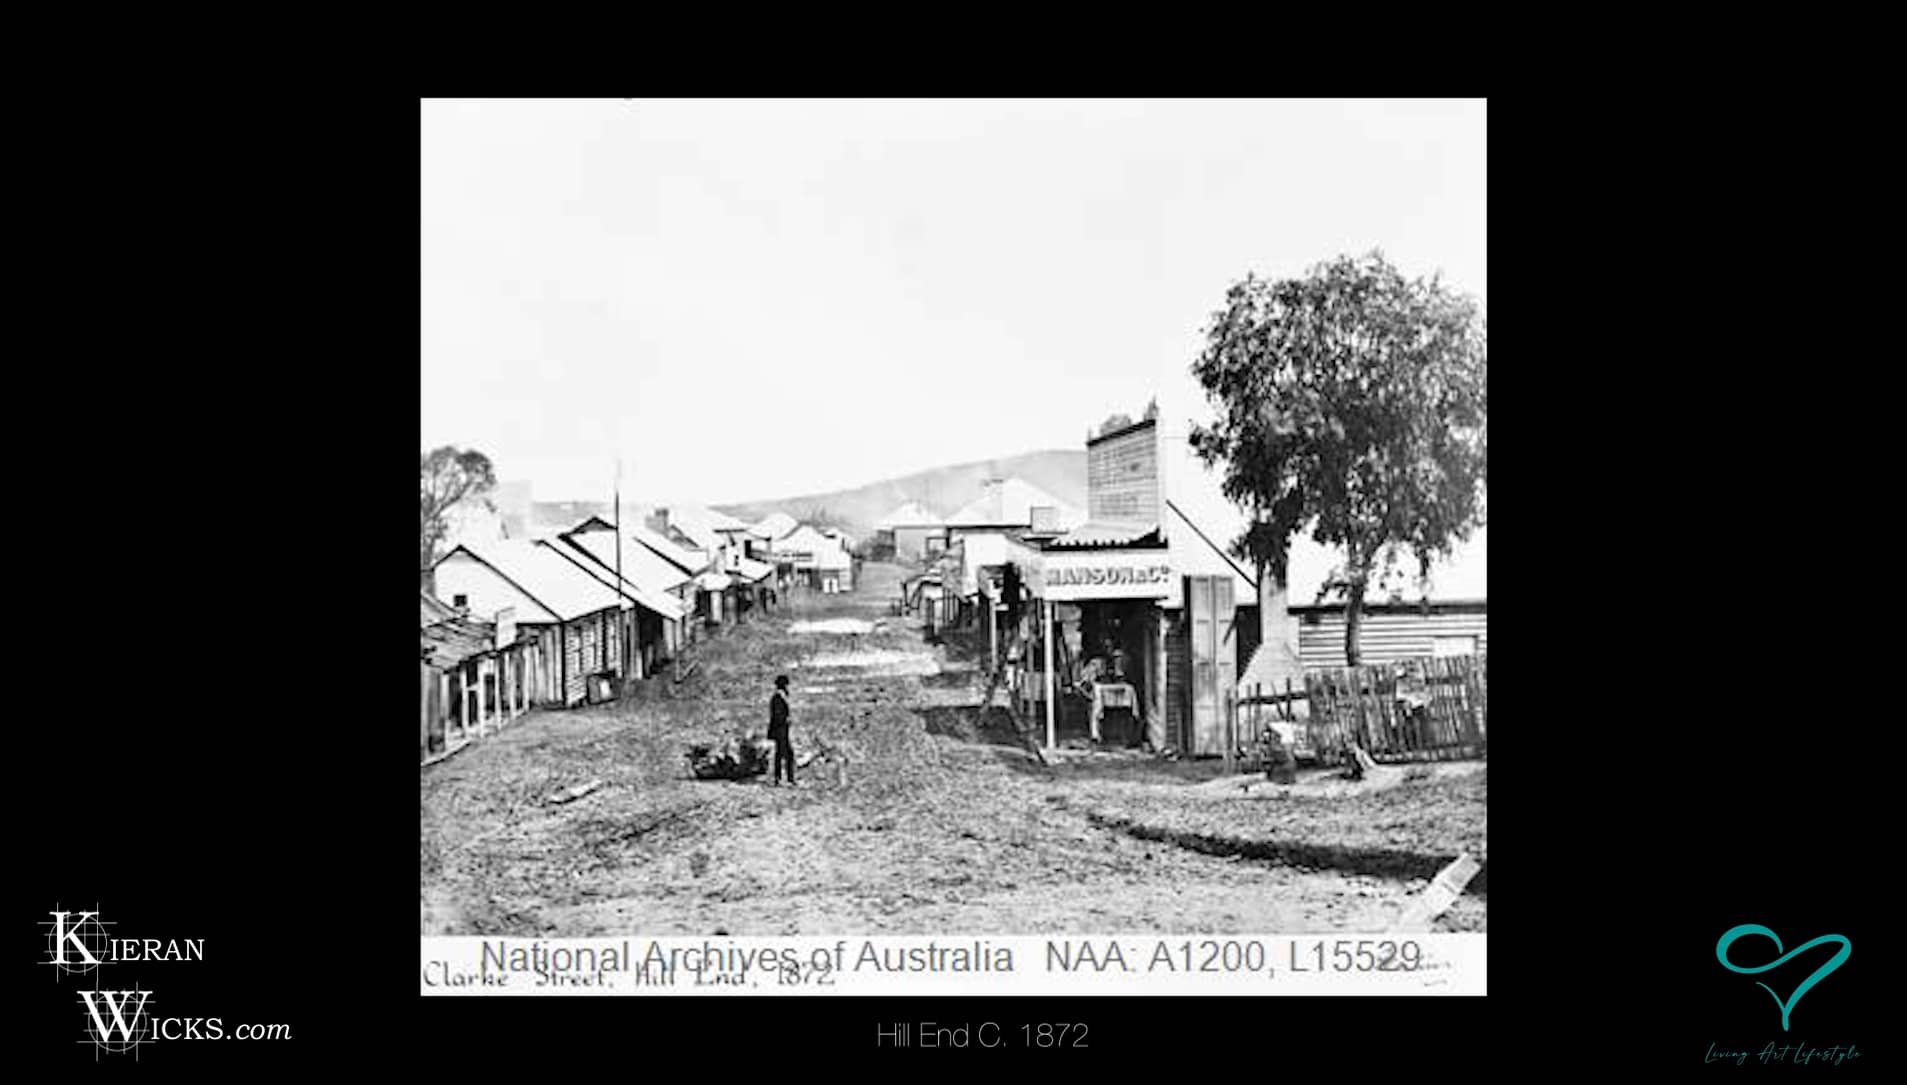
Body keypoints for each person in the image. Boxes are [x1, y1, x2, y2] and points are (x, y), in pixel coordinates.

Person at [769, 674, 795, 786]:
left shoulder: (779, 697)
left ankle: (780, 778)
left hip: (780, 730)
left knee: (780, 754)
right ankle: (786, 778)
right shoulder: (778, 698)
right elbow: (778, 716)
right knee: (787, 754)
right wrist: (786, 720)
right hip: (780, 730)